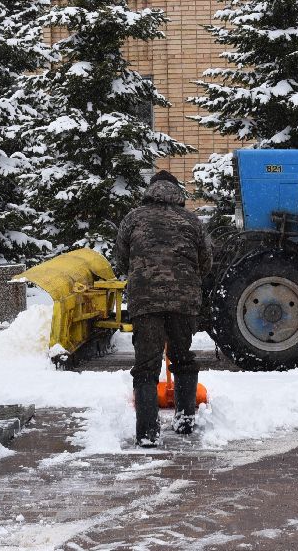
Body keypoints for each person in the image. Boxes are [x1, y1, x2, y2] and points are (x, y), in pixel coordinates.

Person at [113, 170, 212, 448]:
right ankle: (185, 421)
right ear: (176, 191)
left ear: (151, 190)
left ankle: (147, 433)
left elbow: (122, 260)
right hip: (183, 302)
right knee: (183, 359)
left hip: (145, 303)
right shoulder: (191, 221)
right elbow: (206, 262)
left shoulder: (134, 218)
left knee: (146, 367)